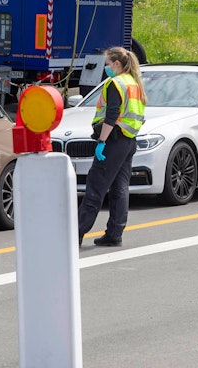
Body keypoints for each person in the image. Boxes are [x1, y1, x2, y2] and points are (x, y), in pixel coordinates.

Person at [78, 46, 147, 247]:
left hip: (113, 140)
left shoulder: (115, 83)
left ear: (117, 64)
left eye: (107, 64)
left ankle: (76, 233)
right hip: (128, 140)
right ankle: (114, 233)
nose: (105, 68)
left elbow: (111, 115)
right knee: (120, 188)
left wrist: (101, 142)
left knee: (95, 187)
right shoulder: (134, 82)